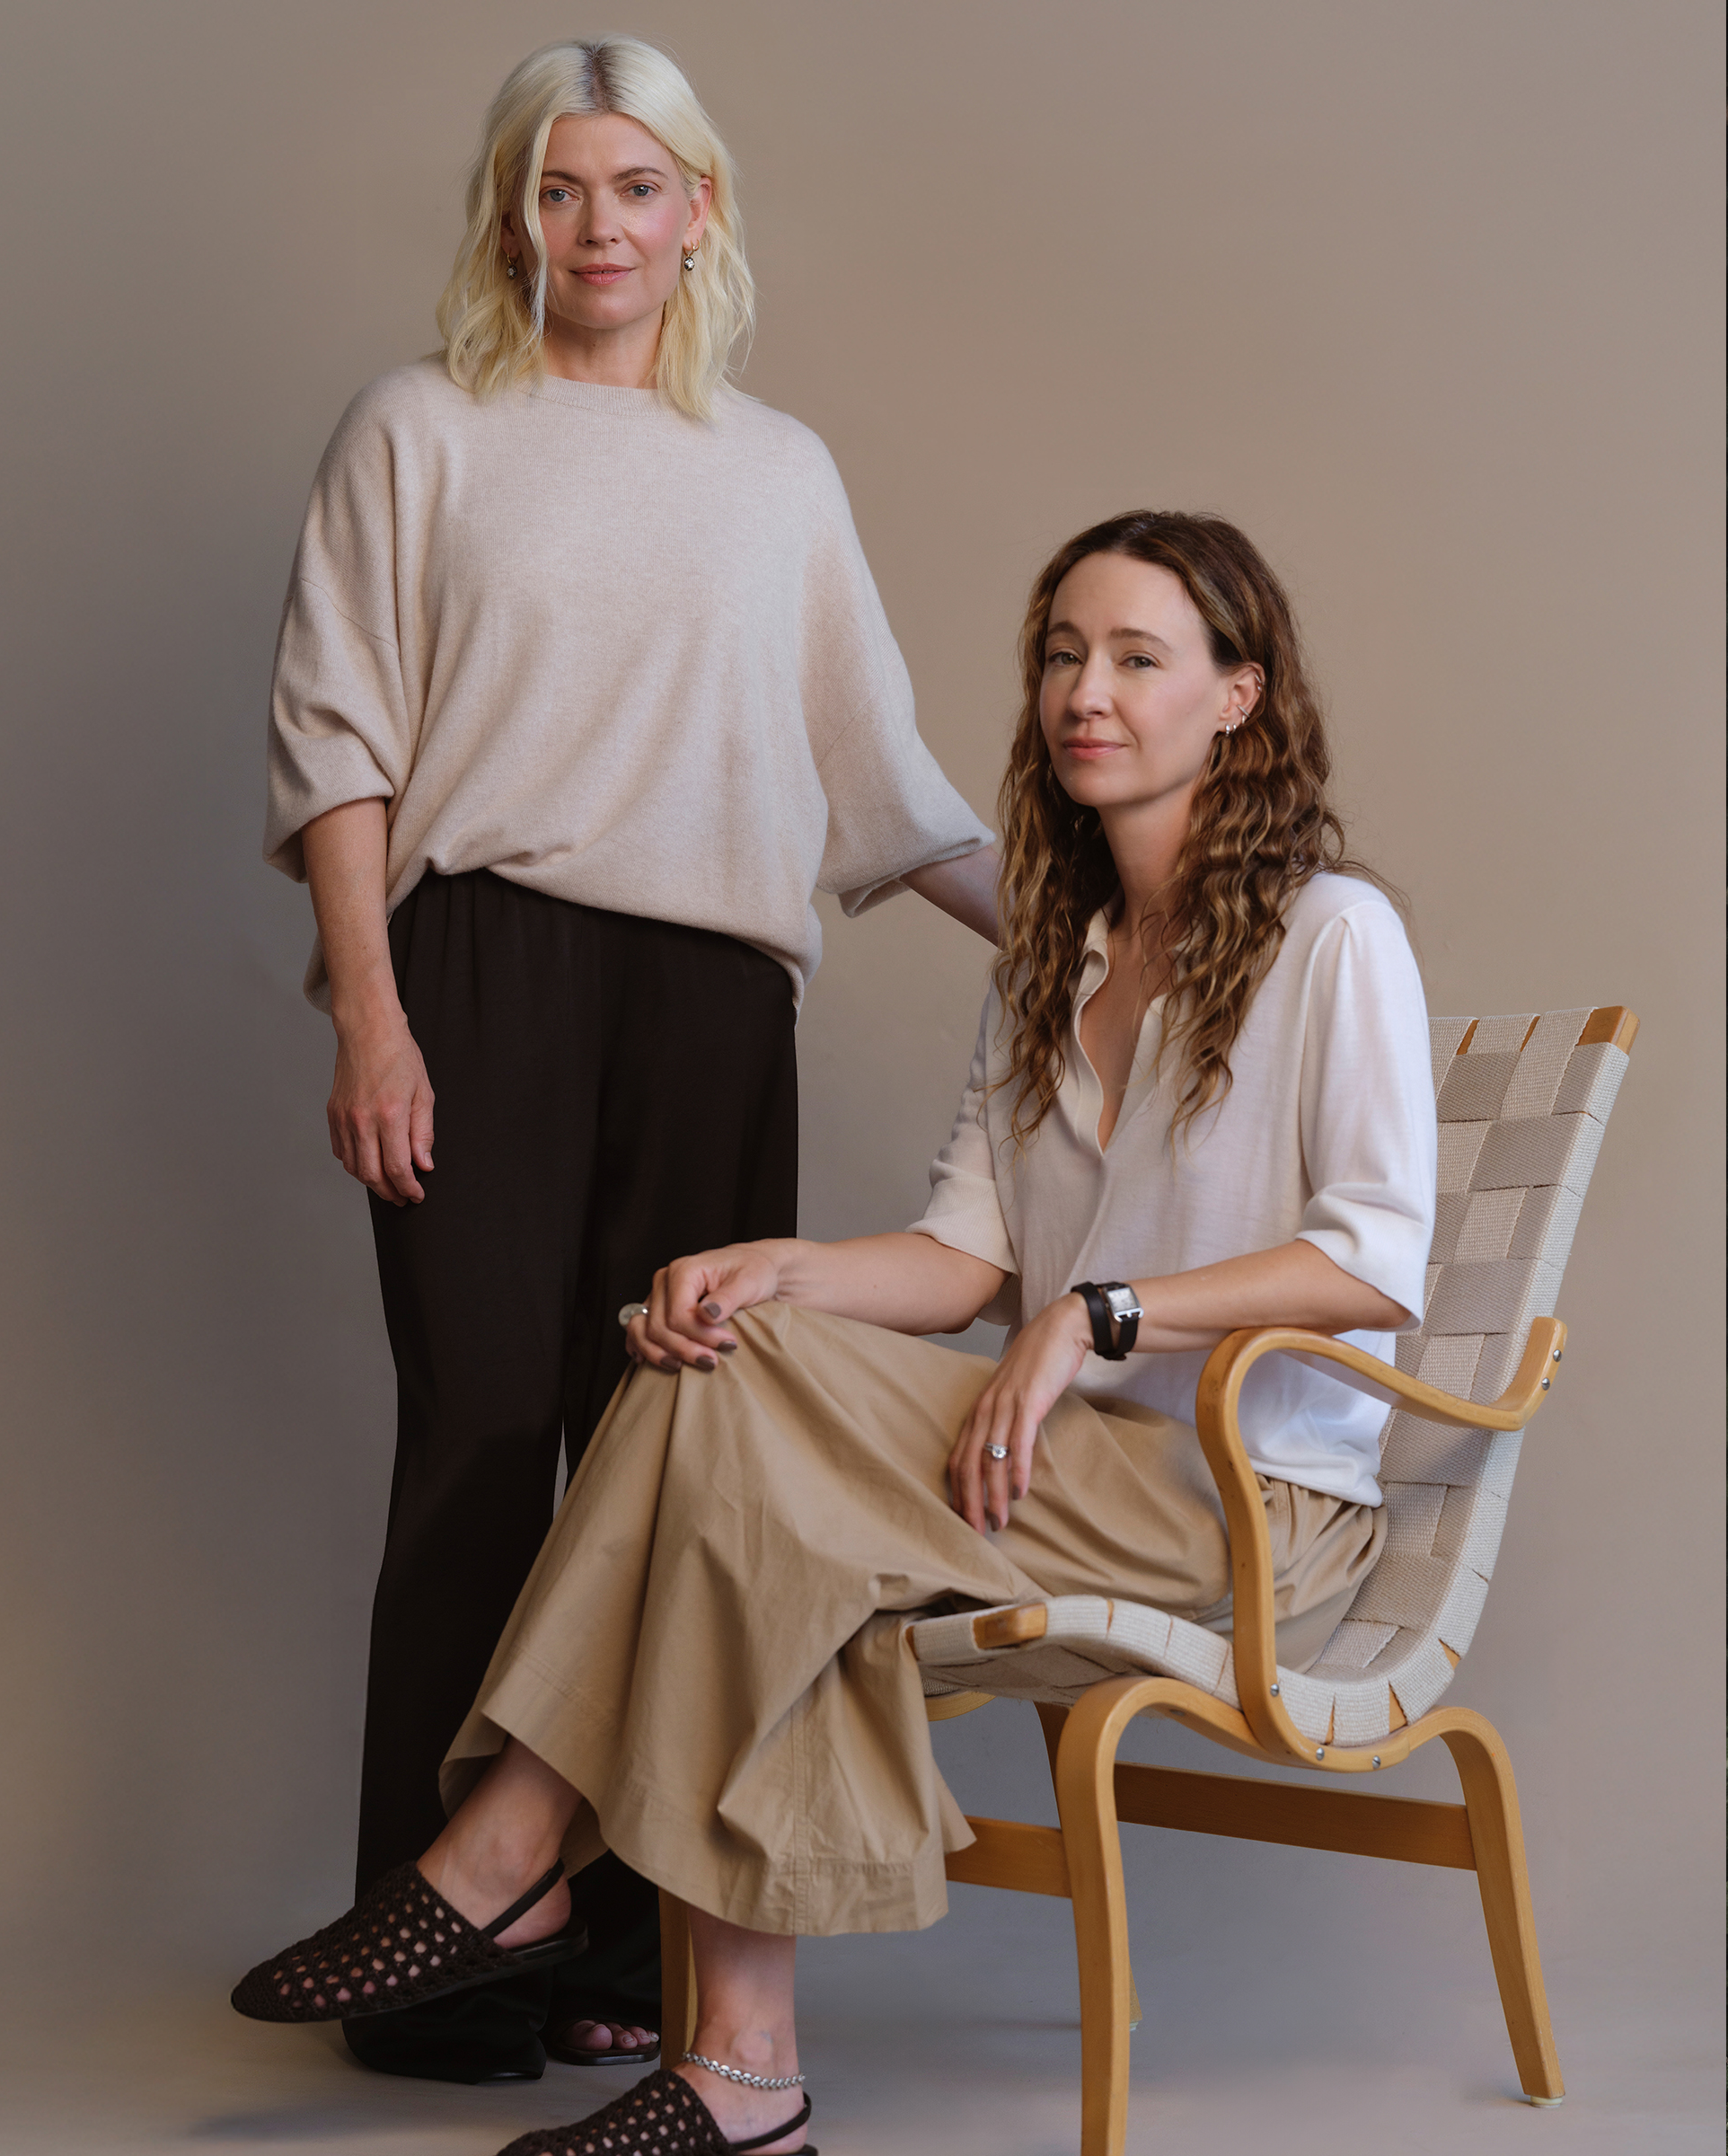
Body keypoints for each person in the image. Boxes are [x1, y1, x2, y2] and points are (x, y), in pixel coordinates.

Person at [239, 510, 1436, 2155]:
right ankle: (732, 2071)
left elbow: (1374, 1262)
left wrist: (1096, 1317)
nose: (1085, 693)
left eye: (1139, 659)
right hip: (1066, 1467)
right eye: (1061, 655)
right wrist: (764, 1268)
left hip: (1251, 1501)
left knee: (752, 1449)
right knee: (730, 1376)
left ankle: (517, 1851)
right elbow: (958, 1260)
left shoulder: (1331, 935)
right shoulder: (1056, 961)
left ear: (1240, 696)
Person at [262, 36, 997, 2085]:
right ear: (517, 211)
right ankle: (443, 1953)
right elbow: (338, 737)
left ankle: (631, 1954)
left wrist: (1122, 941)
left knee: (676, 1466)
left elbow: (884, 780)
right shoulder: (421, 429)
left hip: (710, 1003)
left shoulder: (778, 471)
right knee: (488, 1441)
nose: (601, 227)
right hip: (475, 973)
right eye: (562, 188)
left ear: (701, 213)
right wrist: (374, 1012)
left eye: (639, 188)